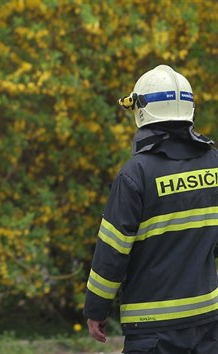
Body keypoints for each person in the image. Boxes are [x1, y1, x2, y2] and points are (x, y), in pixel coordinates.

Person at [83, 65, 218, 353]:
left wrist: (96, 308)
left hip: (152, 326)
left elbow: (112, 252)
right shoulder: (214, 163)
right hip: (208, 322)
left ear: (142, 112)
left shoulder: (136, 174)